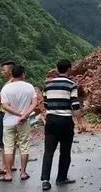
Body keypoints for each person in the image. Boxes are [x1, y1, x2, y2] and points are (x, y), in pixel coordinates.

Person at [40, 59, 80, 191]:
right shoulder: (72, 85)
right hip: (65, 121)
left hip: (51, 121)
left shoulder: (48, 85)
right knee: (65, 150)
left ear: (57, 70)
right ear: (69, 69)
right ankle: (61, 177)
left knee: (49, 151)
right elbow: (75, 105)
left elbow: (45, 105)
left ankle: (45, 180)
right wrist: (80, 123)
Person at [0, 65, 37, 182]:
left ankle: (8, 174)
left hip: (9, 121)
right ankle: (23, 172)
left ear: (12, 74)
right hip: (23, 122)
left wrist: (17, 113)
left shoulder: (6, 88)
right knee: (24, 146)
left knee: (8, 147)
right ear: (23, 74)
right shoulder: (29, 87)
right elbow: (34, 103)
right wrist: (24, 115)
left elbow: (4, 105)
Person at [0, 60, 16, 176]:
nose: (2, 72)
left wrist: (0, 95)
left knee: (5, 142)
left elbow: (0, 98)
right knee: (11, 142)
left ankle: (4, 167)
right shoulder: (18, 82)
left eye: (3, 70)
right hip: (14, 115)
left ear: (10, 71)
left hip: (5, 113)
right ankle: (11, 164)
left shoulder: (9, 84)